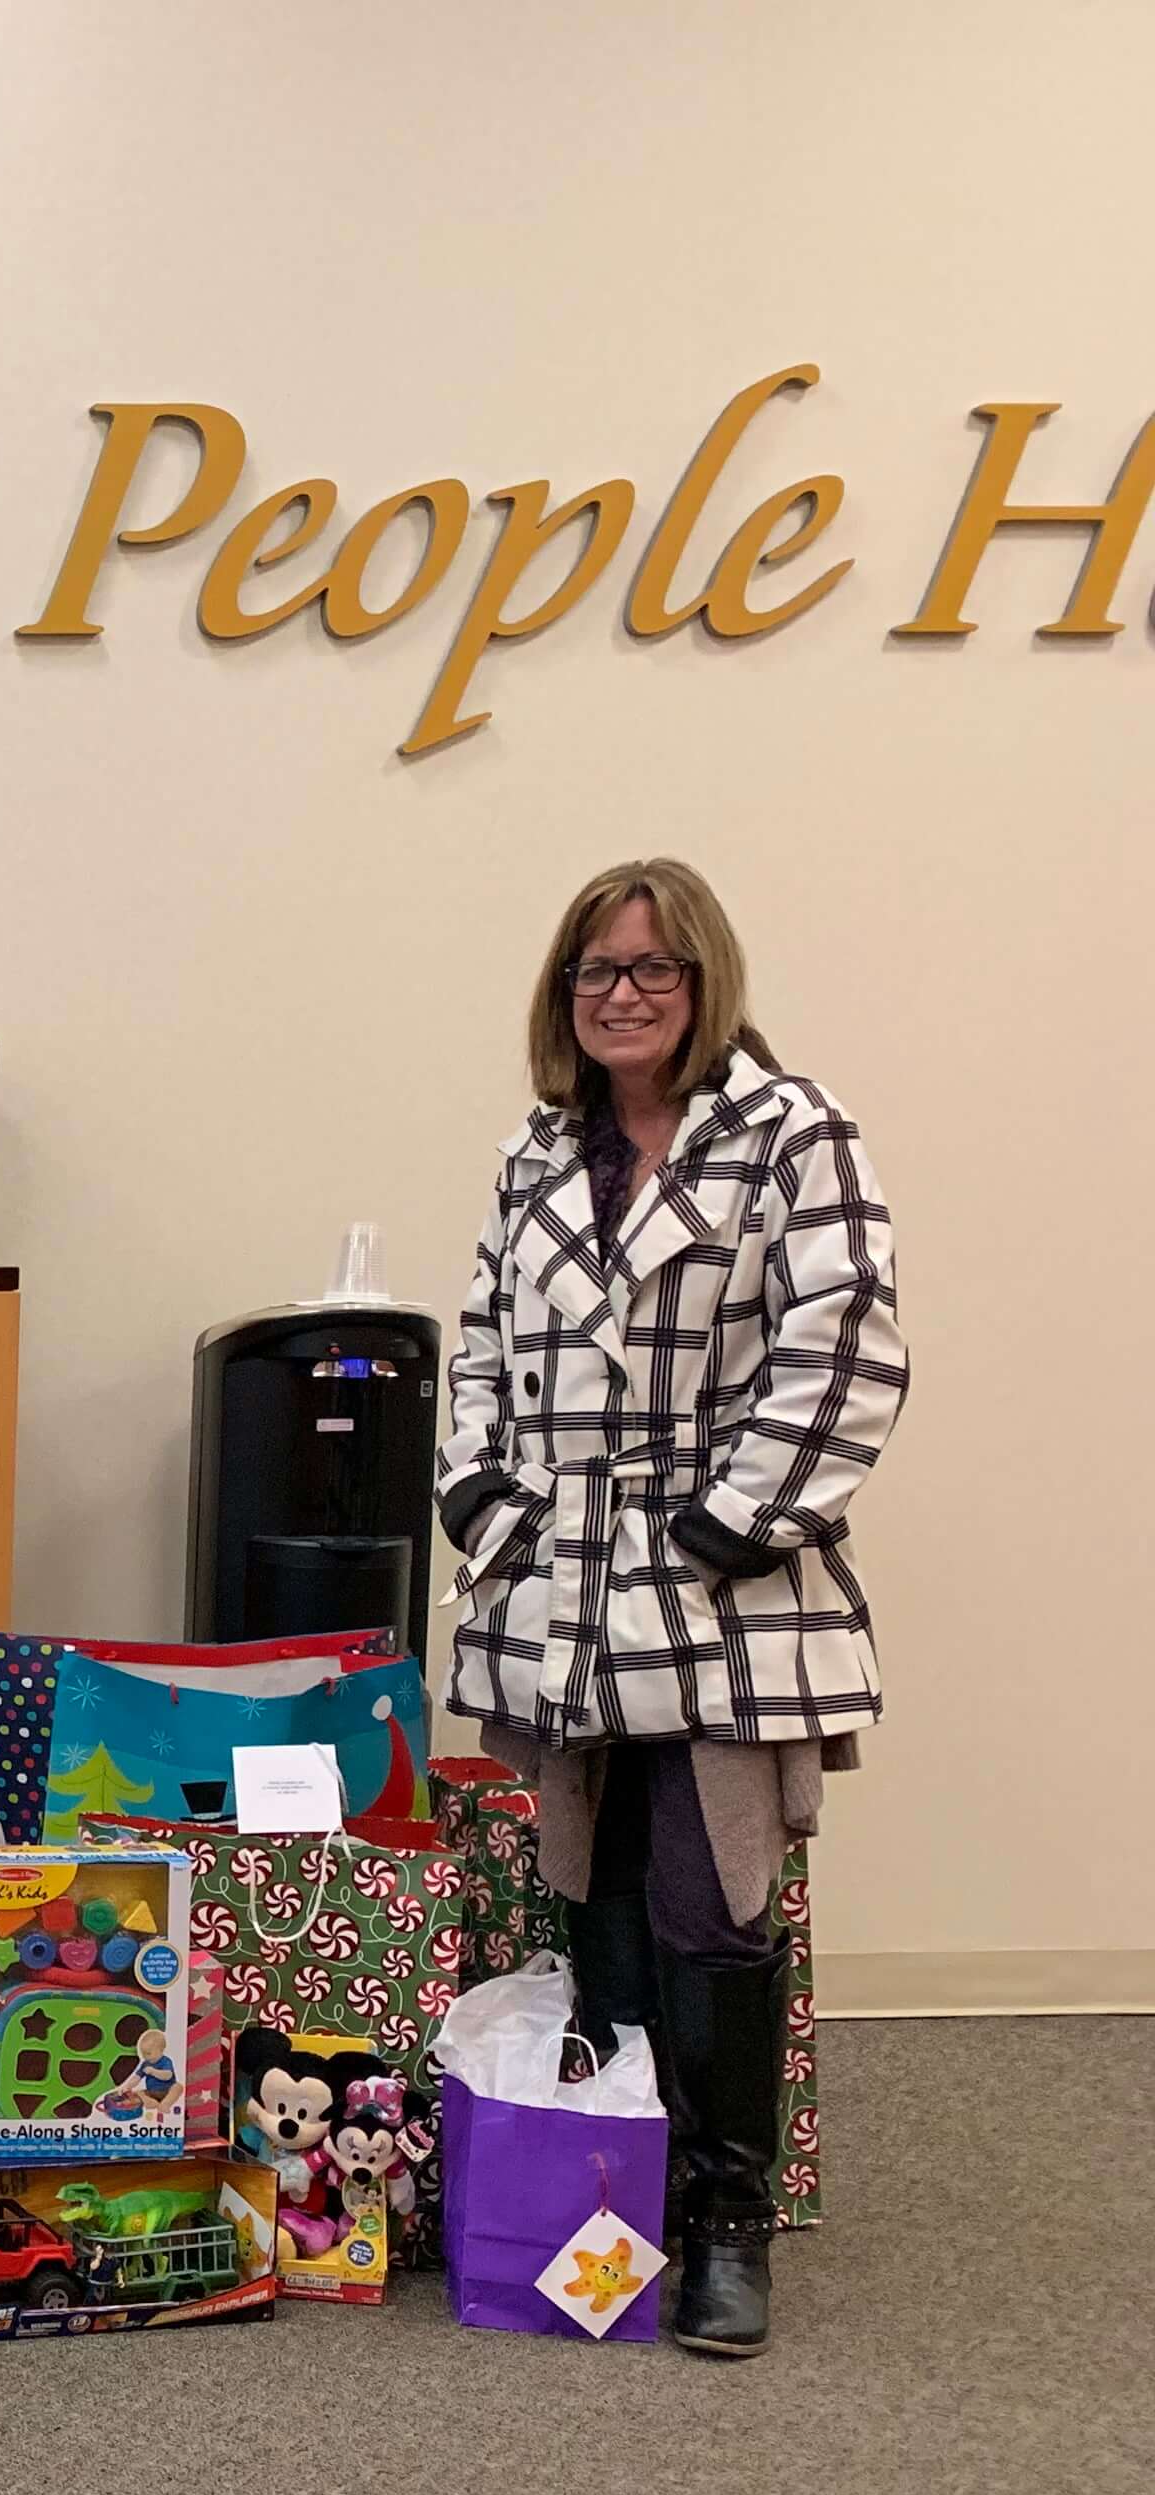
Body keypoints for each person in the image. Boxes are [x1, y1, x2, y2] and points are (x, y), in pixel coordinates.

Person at [436, 859, 904, 2358]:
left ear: (705, 983)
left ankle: (724, 2222)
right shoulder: (534, 1155)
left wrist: (719, 1527)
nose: (621, 994)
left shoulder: (792, 1138)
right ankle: (610, 2190)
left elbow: (845, 1356)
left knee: (719, 1904)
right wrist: (485, 1506)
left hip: (723, 1598)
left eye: (651, 969)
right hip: (561, 1588)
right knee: (599, 1885)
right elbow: (480, 1350)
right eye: (595, 972)